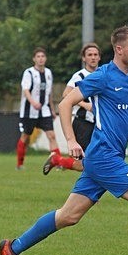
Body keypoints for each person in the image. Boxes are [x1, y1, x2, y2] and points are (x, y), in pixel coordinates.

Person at [0, 26, 128, 255]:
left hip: (108, 157)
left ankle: (12, 248)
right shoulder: (102, 76)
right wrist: (72, 140)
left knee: (68, 216)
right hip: (103, 158)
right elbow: (66, 103)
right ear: (119, 49)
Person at [42, 43, 102, 175]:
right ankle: (57, 160)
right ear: (84, 58)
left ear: (99, 57)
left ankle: (60, 162)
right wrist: (85, 105)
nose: (93, 57)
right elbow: (65, 94)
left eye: (95, 55)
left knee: (99, 162)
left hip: (98, 125)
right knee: (83, 165)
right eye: (89, 55)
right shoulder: (80, 76)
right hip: (83, 124)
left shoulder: (102, 74)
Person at [16, 47, 59, 170]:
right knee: (25, 136)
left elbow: (49, 93)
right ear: (34, 59)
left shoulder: (49, 73)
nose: (41, 59)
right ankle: (19, 164)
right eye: (38, 56)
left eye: (43, 56)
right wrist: (33, 102)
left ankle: (58, 162)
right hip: (29, 111)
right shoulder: (28, 73)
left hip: (44, 110)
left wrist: (51, 109)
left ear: (46, 59)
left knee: (51, 135)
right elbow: (25, 90)